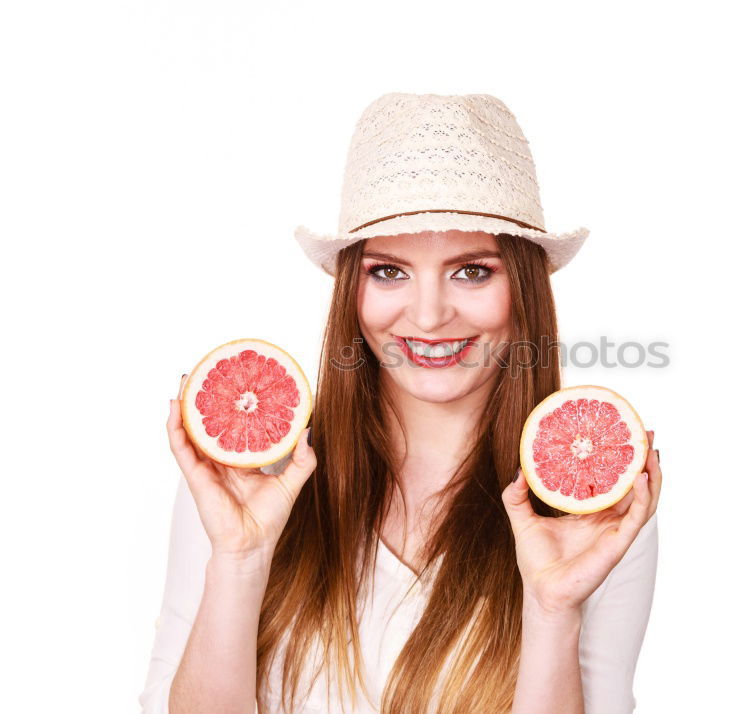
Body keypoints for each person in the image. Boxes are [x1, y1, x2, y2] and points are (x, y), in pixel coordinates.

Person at [139, 92, 663, 714]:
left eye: (472, 271)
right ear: (351, 290)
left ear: (522, 285)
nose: (428, 315)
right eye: (389, 271)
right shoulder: (250, 479)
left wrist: (552, 611)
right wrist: (240, 557)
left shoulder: (591, 506)